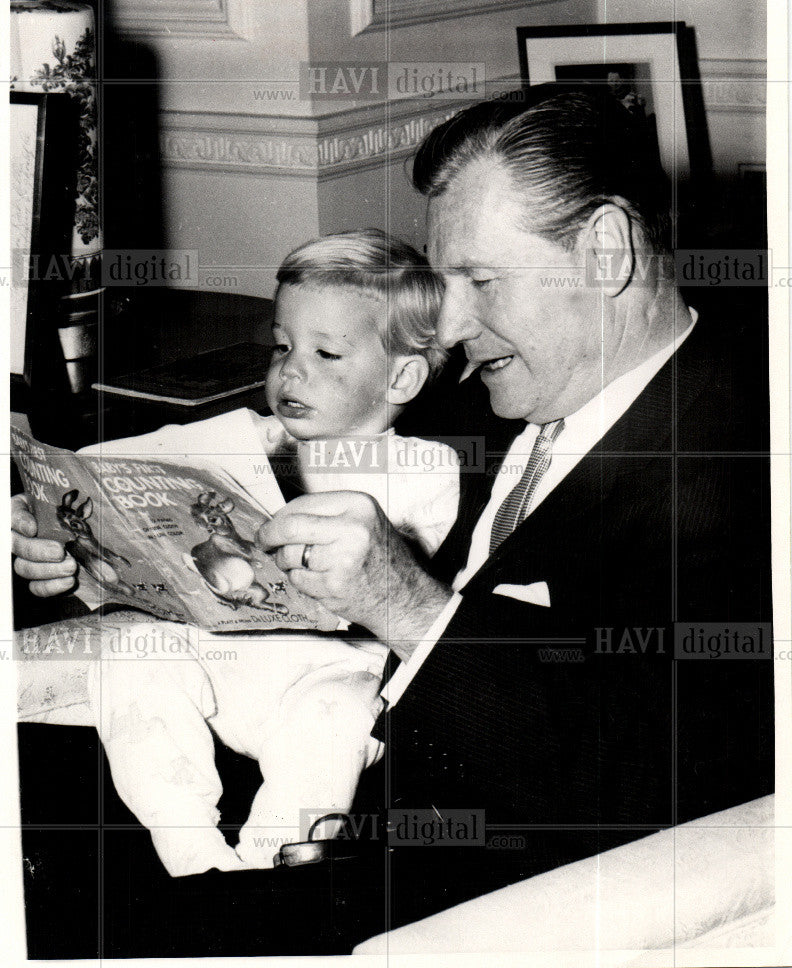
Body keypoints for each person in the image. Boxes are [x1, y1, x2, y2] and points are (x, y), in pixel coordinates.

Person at [12, 85, 773, 954]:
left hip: (425, 869)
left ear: (604, 250)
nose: (447, 325)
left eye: (481, 281)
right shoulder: (493, 390)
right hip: (239, 744)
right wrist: (89, 553)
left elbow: (668, 778)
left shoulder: (741, 465)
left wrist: (410, 607)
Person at [15, 229, 459, 877]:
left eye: (326, 352)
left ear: (403, 377)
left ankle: (268, 868)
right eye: (282, 346)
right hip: (213, 655)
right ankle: (190, 852)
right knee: (133, 666)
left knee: (336, 721)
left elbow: (406, 578)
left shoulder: (427, 468)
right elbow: (95, 472)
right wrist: (44, 524)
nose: (292, 369)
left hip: (321, 673)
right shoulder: (241, 435)